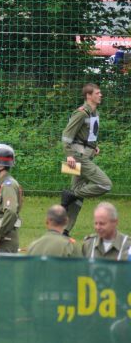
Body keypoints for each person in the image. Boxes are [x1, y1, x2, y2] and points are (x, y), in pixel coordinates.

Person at [60, 83, 112, 235]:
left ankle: (64, 230)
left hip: (87, 155)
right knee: (105, 184)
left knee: (76, 199)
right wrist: (69, 155)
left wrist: (94, 146)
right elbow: (66, 135)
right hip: (78, 158)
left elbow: (88, 135)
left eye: (100, 93)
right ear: (89, 96)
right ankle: (72, 195)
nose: (100, 95)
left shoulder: (94, 113)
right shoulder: (81, 113)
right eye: (97, 93)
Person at [0, 144, 23, 253]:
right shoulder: (2, 184)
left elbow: (11, 212)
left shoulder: (8, 185)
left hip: (5, 239)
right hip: (3, 237)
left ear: (1, 166)